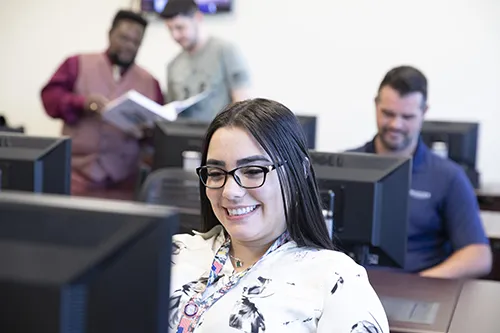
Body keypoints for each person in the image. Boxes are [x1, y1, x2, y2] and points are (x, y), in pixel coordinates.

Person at [169, 98, 389, 333]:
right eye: (215, 173)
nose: (230, 192)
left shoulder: (336, 280)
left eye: (253, 171)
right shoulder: (172, 253)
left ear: (299, 172)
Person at [348, 66, 492, 279]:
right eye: (388, 113)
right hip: (348, 289)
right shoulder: (346, 166)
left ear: (424, 113)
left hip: (417, 290)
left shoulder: (448, 176)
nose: (396, 124)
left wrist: (422, 283)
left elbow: (478, 255)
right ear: (376, 105)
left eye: (407, 116)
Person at [40, 10, 164, 199]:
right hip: (75, 178)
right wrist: (82, 103)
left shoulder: (150, 82)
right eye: (124, 38)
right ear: (110, 33)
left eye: (136, 42)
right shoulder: (76, 63)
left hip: (125, 184)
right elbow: (50, 98)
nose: (129, 46)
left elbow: (158, 131)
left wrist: (148, 133)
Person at [160, 0, 251, 122]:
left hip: (218, 136)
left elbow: (242, 105)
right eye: (170, 29)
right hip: (182, 137)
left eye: (180, 27)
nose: (175, 35)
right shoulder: (173, 66)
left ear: (198, 18)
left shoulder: (225, 51)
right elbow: (170, 114)